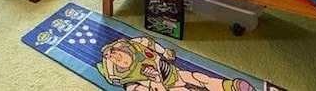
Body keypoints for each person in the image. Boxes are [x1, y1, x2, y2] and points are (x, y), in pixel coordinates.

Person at [97, 36, 256, 91]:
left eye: (114, 52)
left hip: (172, 72)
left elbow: (148, 43)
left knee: (198, 77)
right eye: (111, 57)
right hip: (162, 85)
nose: (115, 56)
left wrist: (163, 51)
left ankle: (230, 86)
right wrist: (156, 82)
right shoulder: (124, 78)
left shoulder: (131, 46)